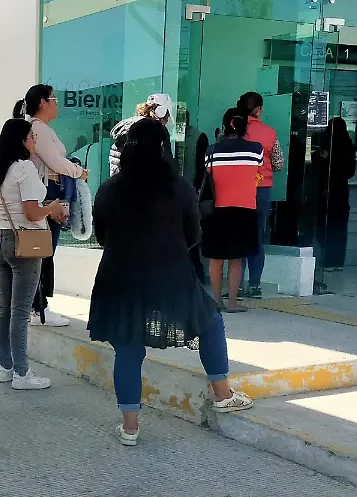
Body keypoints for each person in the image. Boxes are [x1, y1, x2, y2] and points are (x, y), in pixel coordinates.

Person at [89, 119, 252, 446]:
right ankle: (223, 394)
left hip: (118, 278)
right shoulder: (179, 188)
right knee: (211, 323)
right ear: (163, 147)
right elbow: (193, 234)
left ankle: (130, 428)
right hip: (170, 276)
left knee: (129, 347)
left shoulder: (110, 189)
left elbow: (101, 235)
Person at [0, 118, 67, 391]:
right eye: (32, 136)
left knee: (4, 308)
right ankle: (22, 374)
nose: (35, 140)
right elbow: (32, 213)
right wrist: (52, 208)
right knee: (20, 311)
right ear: (22, 141)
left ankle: (5, 367)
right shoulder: (24, 168)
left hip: (2, 238)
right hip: (25, 243)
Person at [16, 84, 88, 327]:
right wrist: (78, 171)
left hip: (48, 191)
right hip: (48, 193)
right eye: (54, 98)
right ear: (43, 103)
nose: (57, 103)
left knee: (44, 251)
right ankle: (39, 309)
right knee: (43, 251)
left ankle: (38, 307)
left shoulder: (40, 128)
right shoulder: (38, 128)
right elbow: (55, 162)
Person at [203, 108, 264, 313]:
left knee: (216, 258)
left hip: (217, 210)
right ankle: (232, 303)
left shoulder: (211, 151)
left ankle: (217, 301)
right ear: (245, 126)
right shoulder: (256, 149)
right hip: (245, 209)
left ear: (225, 125)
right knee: (237, 259)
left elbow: (209, 173)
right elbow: (257, 170)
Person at [238, 92, 283, 299]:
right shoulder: (270, 132)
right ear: (258, 109)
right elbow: (279, 163)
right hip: (262, 189)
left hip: (237, 189)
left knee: (238, 235)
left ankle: (236, 285)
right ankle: (254, 285)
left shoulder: (235, 129)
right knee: (257, 236)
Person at [315, 117, 357, 271]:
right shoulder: (348, 145)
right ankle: (338, 261)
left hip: (327, 190)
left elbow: (320, 168)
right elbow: (350, 171)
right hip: (341, 191)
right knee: (339, 227)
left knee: (325, 225)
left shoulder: (327, 144)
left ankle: (328, 259)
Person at [108, 93, 174, 177]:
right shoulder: (155, 130)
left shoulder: (127, 127)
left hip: (121, 182)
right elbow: (167, 164)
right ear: (161, 112)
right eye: (167, 116)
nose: (166, 121)